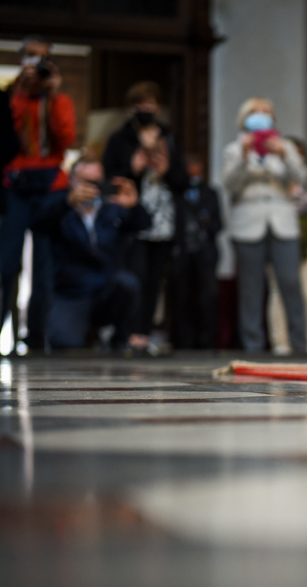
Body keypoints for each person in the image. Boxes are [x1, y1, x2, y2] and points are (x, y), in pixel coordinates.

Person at [1, 35, 76, 351]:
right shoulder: (9, 96)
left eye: (41, 58)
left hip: (49, 187)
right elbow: (6, 136)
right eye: (30, 56)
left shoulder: (58, 100)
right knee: (6, 264)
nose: (34, 63)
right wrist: (21, 90)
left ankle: (35, 338)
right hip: (16, 184)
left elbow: (65, 138)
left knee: (44, 267)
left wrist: (52, 92)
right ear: (21, 58)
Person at [103, 81, 188, 351]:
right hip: (134, 219)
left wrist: (166, 170)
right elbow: (109, 177)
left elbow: (183, 181)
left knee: (154, 280)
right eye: (140, 105)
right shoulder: (120, 138)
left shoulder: (169, 137)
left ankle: (144, 333)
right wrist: (133, 167)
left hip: (163, 219)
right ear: (131, 109)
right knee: (134, 276)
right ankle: (125, 331)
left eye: (151, 104)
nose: (146, 109)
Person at [221, 97, 307, 354]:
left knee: (290, 282)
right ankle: (253, 346)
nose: (261, 116)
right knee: (251, 288)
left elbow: (301, 178)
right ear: (244, 119)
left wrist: (283, 154)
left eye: (266, 113)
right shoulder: (234, 149)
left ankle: (300, 345)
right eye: (255, 113)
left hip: (283, 221)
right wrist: (245, 156)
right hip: (247, 223)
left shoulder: (286, 146)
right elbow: (230, 184)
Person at [42, 156, 151, 350]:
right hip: (73, 292)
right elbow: (39, 223)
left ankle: (120, 339)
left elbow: (143, 224)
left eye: (96, 181)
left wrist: (134, 205)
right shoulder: (60, 208)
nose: (92, 187)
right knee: (63, 345)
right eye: (86, 181)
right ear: (72, 180)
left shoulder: (112, 209)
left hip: (106, 288)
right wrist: (67, 204)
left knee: (127, 283)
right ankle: (87, 333)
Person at [169, 154, 221, 349]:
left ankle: (207, 341)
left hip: (205, 252)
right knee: (182, 296)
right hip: (182, 253)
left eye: (195, 164)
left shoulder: (210, 193)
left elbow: (218, 224)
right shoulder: (177, 193)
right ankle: (184, 341)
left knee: (208, 295)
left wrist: (205, 225)